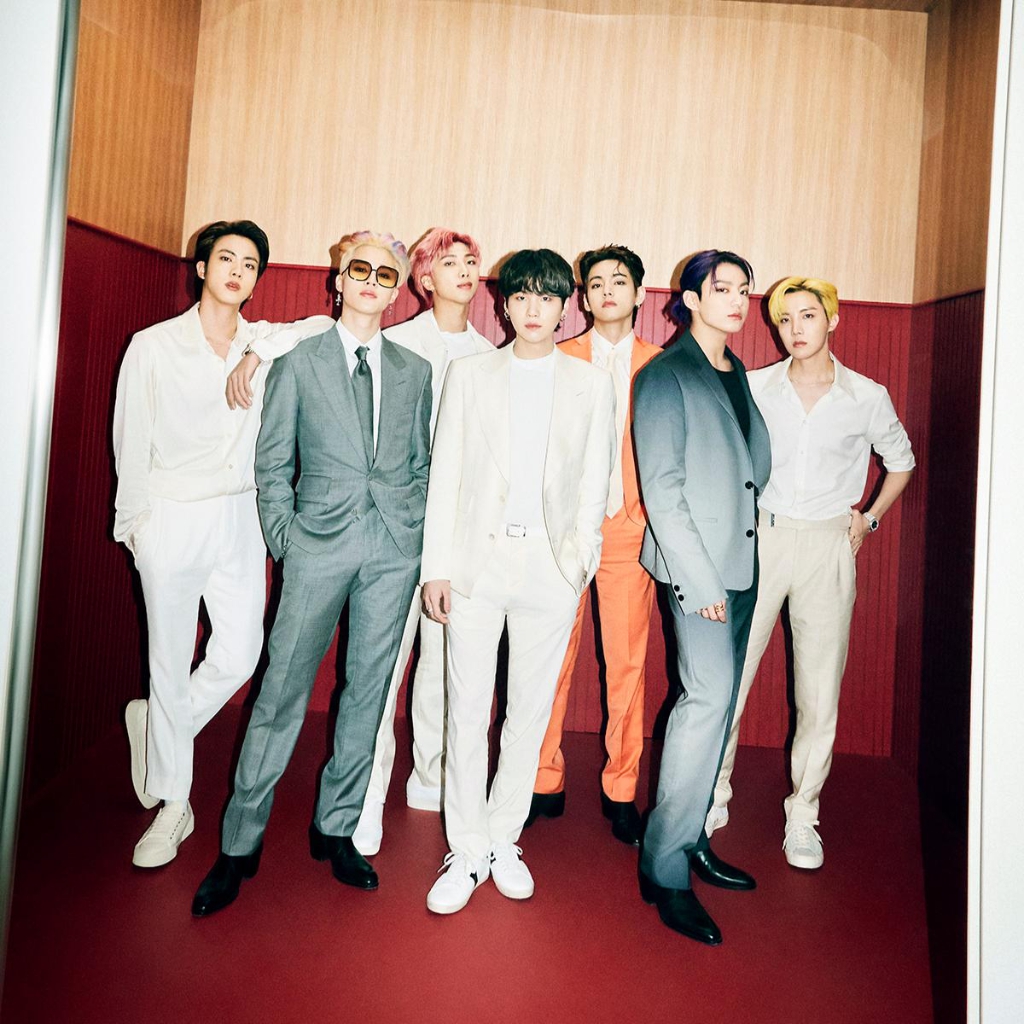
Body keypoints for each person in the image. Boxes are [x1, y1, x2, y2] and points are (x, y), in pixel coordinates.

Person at [191, 231, 432, 916]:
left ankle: (337, 828)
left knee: (368, 693)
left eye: (385, 274)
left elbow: (420, 460)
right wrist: (288, 541)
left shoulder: (416, 371)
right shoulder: (298, 359)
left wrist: (412, 532)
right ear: (338, 279)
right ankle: (239, 843)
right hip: (316, 546)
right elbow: (272, 463)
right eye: (360, 269)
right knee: (281, 692)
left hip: (393, 550)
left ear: (396, 290)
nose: (371, 281)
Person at [113, 219, 333, 869]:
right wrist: (139, 531)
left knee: (240, 653)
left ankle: (159, 722)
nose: (237, 271)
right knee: (169, 659)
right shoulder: (154, 345)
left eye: (250, 264)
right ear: (201, 268)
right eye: (226, 259)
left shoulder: (261, 340)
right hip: (171, 515)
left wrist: (259, 354)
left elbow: (323, 326)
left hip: (240, 516)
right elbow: (131, 442)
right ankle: (173, 805)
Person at [420, 249, 615, 915]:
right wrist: (437, 567)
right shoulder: (470, 374)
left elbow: (595, 481)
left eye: (547, 297)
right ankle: (466, 847)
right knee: (467, 709)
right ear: (503, 305)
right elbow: (445, 474)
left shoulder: (591, 384)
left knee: (529, 714)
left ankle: (504, 838)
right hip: (476, 566)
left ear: (565, 308)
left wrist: (579, 562)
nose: (534, 309)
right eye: (522, 296)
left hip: (550, 569)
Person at [707, 276, 915, 870]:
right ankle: (711, 797)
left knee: (819, 690)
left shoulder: (866, 396)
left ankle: (803, 814)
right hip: (761, 542)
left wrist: (868, 519)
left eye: (807, 316)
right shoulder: (755, 387)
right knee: (730, 678)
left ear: (832, 320)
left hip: (828, 546)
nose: (796, 329)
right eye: (785, 319)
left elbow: (901, 462)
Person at [632, 249, 771, 945]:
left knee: (720, 706)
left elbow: (749, 464)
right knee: (706, 701)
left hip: (742, 563)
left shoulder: (734, 370)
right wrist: (701, 580)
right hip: (701, 573)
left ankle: (691, 838)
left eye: (745, 290)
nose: (738, 301)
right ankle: (663, 870)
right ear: (689, 299)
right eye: (723, 289)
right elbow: (662, 490)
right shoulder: (665, 375)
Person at [526, 244, 661, 846]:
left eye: (619, 281)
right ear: (582, 297)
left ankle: (622, 788)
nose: (607, 290)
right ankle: (541, 779)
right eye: (597, 282)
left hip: (630, 529)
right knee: (550, 658)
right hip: (563, 531)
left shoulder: (662, 365)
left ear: (639, 293)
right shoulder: (559, 357)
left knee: (627, 665)